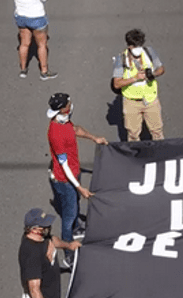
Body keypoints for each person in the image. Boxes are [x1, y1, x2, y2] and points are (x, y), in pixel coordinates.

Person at [45, 93, 108, 267]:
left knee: (74, 204)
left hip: (73, 172)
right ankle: (68, 255)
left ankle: (77, 227)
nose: (71, 105)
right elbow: (64, 165)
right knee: (69, 214)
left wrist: (94, 138)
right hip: (65, 179)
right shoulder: (56, 133)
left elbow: (76, 129)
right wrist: (80, 187)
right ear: (63, 108)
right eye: (68, 103)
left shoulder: (64, 121)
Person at [111, 29, 166, 141]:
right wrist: (135, 78)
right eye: (135, 46)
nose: (138, 48)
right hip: (131, 103)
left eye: (140, 45)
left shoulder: (149, 52)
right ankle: (135, 156)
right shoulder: (120, 60)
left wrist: (152, 74)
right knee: (133, 135)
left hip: (151, 100)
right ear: (129, 46)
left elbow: (161, 69)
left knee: (157, 132)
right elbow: (116, 84)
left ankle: (160, 155)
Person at [19, 208, 81, 298]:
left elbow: (52, 240)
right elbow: (34, 290)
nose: (48, 227)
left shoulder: (42, 236)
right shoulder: (32, 254)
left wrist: (69, 245)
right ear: (35, 229)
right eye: (44, 226)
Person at [13, 0, 57, 80]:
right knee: (42, 45)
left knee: (24, 43)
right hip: (36, 17)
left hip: (21, 17)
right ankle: (44, 71)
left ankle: (23, 69)